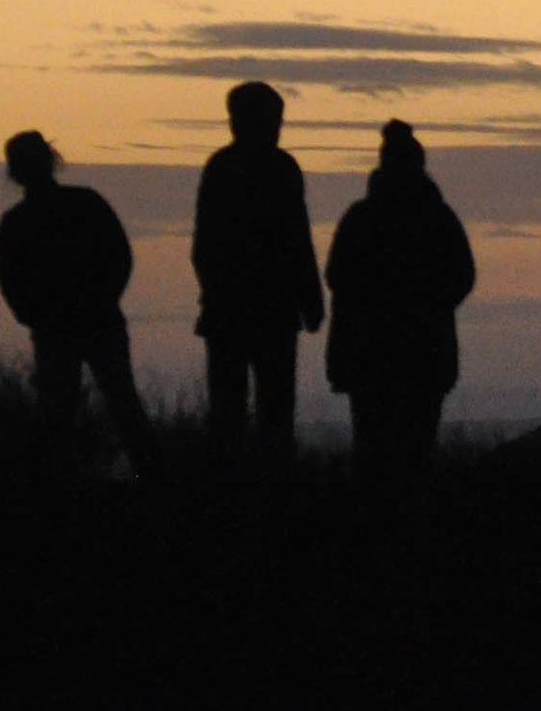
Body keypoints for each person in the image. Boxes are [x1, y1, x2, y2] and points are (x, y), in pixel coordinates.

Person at [0, 131, 161, 478]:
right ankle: (153, 481)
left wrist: (39, 316)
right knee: (118, 407)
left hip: (66, 328)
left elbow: (11, 282)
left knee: (63, 415)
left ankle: (64, 495)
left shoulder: (18, 222)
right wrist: (99, 303)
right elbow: (120, 258)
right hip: (89, 324)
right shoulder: (84, 204)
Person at [325, 121, 475, 489]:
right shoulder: (438, 218)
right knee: (413, 456)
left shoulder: (361, 218)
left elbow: (337, 277)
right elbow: (462, 276)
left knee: (375, 456)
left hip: (374, 355)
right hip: (414, 355)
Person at [192, 81, 323, 468]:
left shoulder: (226, 167)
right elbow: (297, 240)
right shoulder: (277, 168)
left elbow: (205, 245)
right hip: (266, 311)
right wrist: (309, 299)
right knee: (269, 412)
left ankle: (239, 490)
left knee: (239, 413)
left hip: (240, 311)